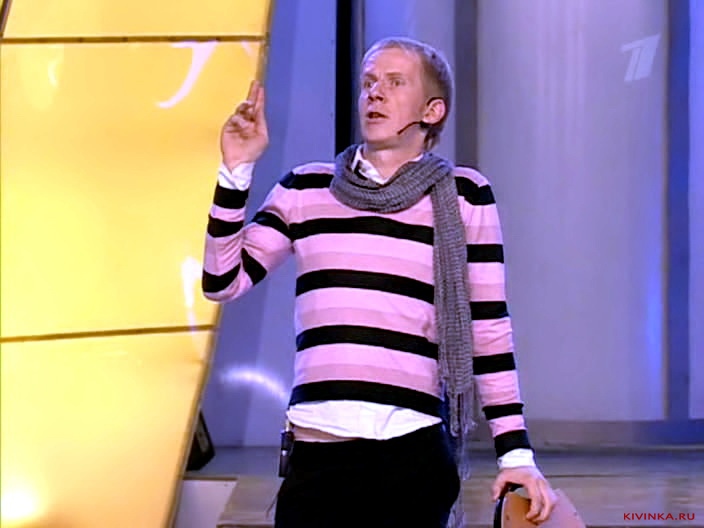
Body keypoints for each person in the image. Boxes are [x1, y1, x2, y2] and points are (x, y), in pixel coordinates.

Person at [202, 36, 556, 528]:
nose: (375, 93)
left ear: (432, 111)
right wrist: (236, 170)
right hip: (317, 455)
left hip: (412, 455)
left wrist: (515, 454)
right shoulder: (305, 189)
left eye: (395, 82)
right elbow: (222, 280)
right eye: (368, 82)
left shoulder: (465, 196)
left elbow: (488, 330)